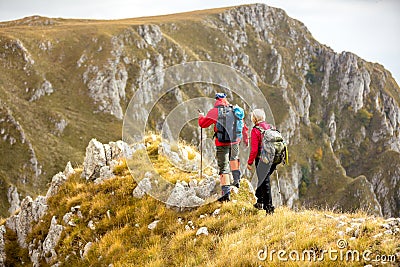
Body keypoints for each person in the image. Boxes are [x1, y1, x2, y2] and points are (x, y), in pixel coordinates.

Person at [198, 93, 248, 202]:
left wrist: (201, 116)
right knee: (234, 158)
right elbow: (243, 125)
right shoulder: (235, 110)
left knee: (224, 166)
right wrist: (245, 138)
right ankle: (236, 180)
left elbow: (203, 124)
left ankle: (225, 193)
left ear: (216, 100)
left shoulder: (214, 111)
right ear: (225, 99)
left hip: (221, 143)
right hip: (235, 141)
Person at [247, 109, 276, 214]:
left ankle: (269, 209)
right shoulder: (271, 127)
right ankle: (259, 201)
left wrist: (249, 163)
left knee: (265, 183)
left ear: (254, 118)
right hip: (274, 159)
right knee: (263, 180)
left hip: (262, 160)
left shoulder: (255, 130)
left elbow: (254, 150)